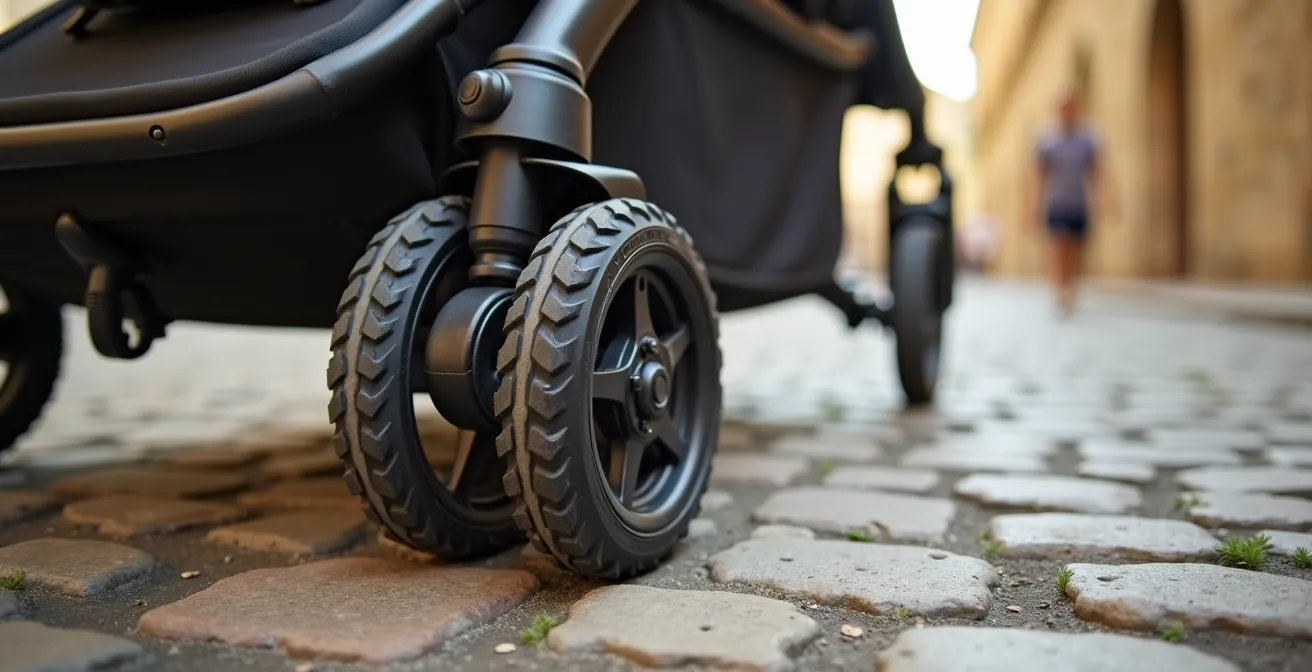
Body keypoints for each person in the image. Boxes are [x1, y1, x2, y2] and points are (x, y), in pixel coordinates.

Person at [1030, 91, 1119, 314]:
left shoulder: (1088, 138)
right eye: (1063, 106)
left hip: (1079, 203)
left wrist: (1106, 199)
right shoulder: (1047, 140)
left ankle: (1070, 286)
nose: (1067, 111)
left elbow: (1098, 172)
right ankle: (1060, 290)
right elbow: (1039, 176)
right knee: (1059, 245)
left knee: (1075, 249)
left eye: (1070, 106)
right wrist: (1034, 205)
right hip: (1056, 203)